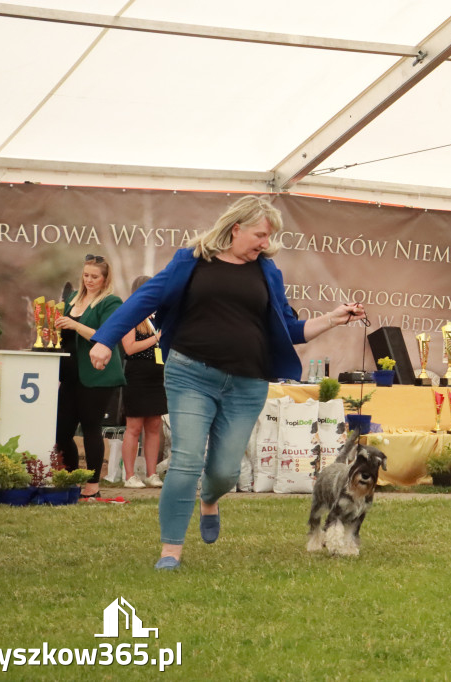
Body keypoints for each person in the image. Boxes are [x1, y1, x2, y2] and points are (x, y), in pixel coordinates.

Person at [88, 196, 366, 570]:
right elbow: (144, 299)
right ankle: (171, 550)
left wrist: (332, 319)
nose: (265, 243)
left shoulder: (268, 273)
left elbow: (290, 330)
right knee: (186, 461)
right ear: (236, 228)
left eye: (268, 237)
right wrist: (105, 339)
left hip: (246, 385)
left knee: (224, 472)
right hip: (190, 375)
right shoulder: (191, 261)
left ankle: (210, 498)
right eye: (260, 235)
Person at [54, 254, 126, 499]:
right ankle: (74, 479)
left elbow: (105, 334)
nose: (89, 280)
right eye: (86, 275)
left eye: (95, 276)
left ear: (105, 279)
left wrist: (75, 325)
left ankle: (92, 487)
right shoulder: (73, 298)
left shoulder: (111, 302)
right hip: (70, 374)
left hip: (97, 375)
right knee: (62, 432)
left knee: (91, 428)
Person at [119, 275, 166, 489]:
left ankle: (151, 473)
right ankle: (129, 475)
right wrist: (156, 338)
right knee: (134, 426)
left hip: (157, 375)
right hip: (137, 374)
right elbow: (129, 348)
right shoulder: (131, 313)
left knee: (155, 425)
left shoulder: (158, 316)